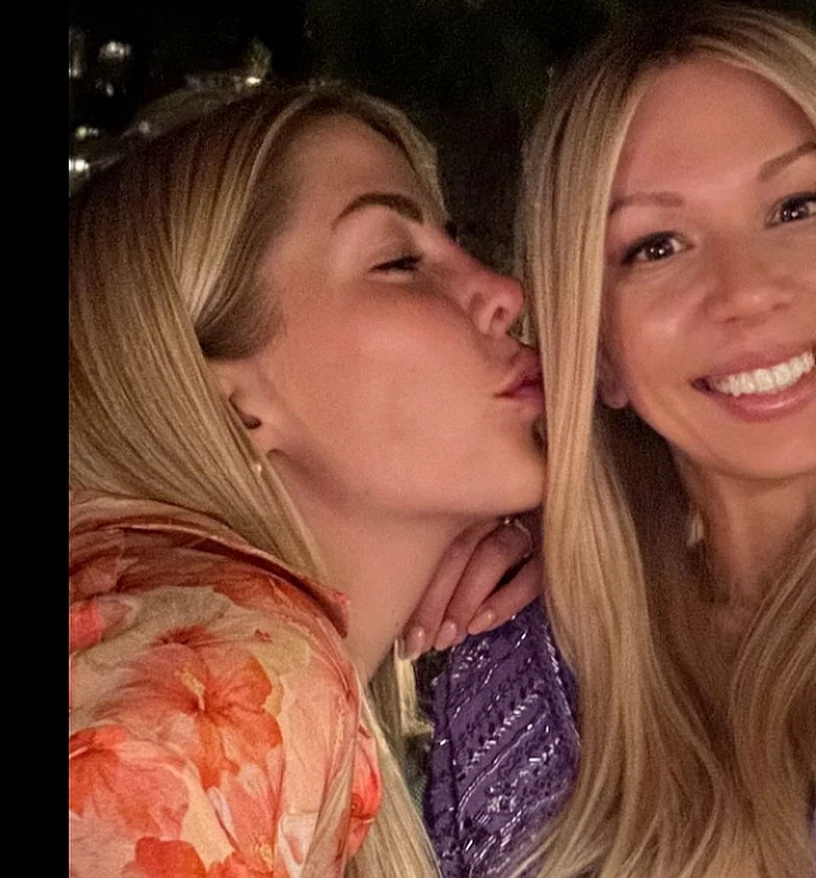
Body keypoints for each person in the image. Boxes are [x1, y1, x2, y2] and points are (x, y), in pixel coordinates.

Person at [424, 6, 816, 877]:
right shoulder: (507, 673)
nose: (745, 292)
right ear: (598, 352)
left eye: (798, 206)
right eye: (656, 246)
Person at [69, 83, 547, 877]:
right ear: (235, 403)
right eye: (399, 263)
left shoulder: (165, 629)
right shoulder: (219, 680)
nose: (505, 294)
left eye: (454, 242)